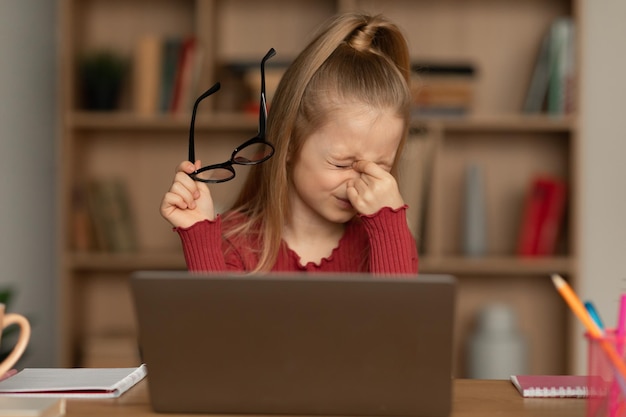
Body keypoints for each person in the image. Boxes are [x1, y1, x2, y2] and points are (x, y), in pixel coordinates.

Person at [161, 12, 418, 274]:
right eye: (341, 164)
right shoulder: (235, 243)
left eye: (380, 169)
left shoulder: (387, 241)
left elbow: (403, 316)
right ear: (289, 143)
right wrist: (200, 236)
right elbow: (212, 316)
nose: (358, 184)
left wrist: (389, 224)